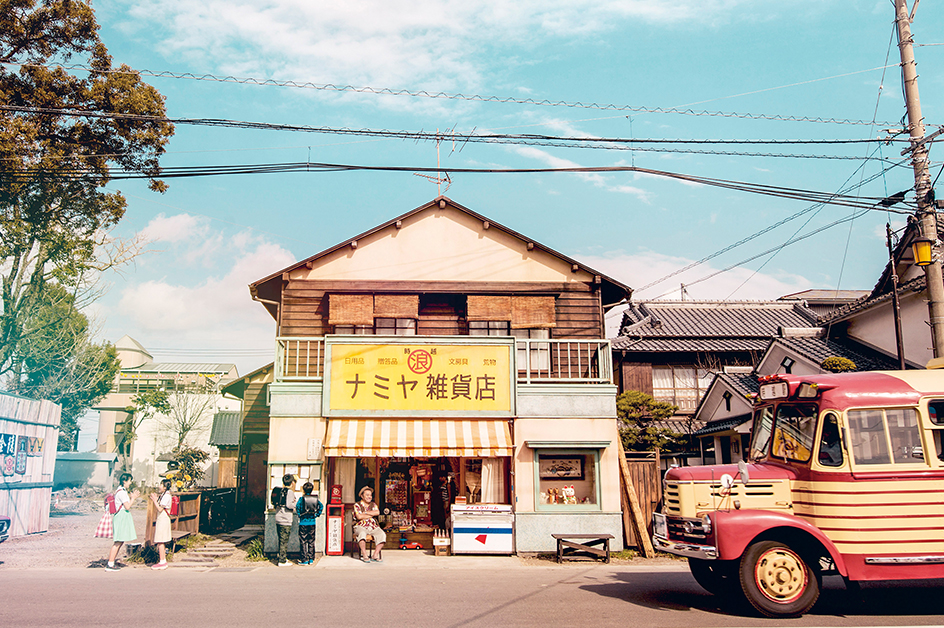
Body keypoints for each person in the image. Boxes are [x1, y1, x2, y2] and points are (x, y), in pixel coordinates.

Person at [106, 472, 140, 571]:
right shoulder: (122, 492)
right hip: (121, 516)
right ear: (124, 481)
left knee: (119, 541)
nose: (130, 483)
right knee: (118, 542)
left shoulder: (119, 491)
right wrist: (133, 498)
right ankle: (110, 563)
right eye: (129, 481)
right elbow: (127, 506)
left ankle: (111, 562)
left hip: (119, 516)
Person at [353, 486, 385, 563]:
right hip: (360, 525)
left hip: (373, 526)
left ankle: (375, 555)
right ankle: (364, 555)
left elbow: (377, 512)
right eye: (367, 495)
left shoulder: (373, 505)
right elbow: (359, 516)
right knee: (362, 533)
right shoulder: (357, 505)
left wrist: (366, 513)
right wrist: (371, 514)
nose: (369, 497)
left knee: (382, 534)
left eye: (370, 495)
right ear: (362, 496)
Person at [295, 482, 323, 565]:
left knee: (303, 541)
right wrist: (317, 514)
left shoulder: (301, 499)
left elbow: (297, 507)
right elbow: (321, 506)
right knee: (311, 540)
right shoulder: (315, 499)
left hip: (303, 522)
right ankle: (311, 558)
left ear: (303, 489)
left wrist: (300, 515)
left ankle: (304, 559)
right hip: (312, 522)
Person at [274, 473, 298, 566]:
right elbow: (289, 505)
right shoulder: (290, 492)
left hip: (278, 517)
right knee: (284, 540)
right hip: (285, 518)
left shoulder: (280, 490)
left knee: (281, 539)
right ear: (292, 483)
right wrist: (295, 504)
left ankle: (281, 557)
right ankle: (282, 561)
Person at [150, 478, 173, 570]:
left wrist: (155, 501)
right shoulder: (164, 495)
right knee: (160, 540)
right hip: (162, 518)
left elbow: (160, 509)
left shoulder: (167, 496)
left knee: (160, 540)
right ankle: (162, 560)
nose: (159, 486)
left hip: (163, 519)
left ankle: (162, 561)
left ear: (165, 487)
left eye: (161, 484)